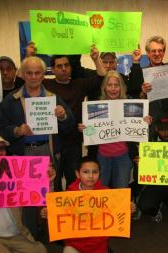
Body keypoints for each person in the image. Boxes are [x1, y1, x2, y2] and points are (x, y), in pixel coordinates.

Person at [0, 56, 75, 240]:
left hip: (48, 151)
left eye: (37, 72)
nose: (33, 76)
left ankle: (54, 234)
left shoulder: (53, 98)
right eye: (29, 73)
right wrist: (16, 130)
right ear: (22, 74)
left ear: (42, 75)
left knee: (51, 195)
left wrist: (62, 116)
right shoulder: (11, 99)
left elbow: (70, 125)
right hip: (24, 154)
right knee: (28, 198)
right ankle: (30, 235)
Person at [40, 156, 135, 253]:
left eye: (95, 172)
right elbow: (58, 214)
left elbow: (119, 217)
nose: (91, 176)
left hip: (98, 246)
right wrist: (49, 213)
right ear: (78, 174)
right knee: (68, 251)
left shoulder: (106, 194)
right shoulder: (69, 195)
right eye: (86, 172)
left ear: (99, 173)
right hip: (74, 245)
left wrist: (128, 210)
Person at [43, 48, 104, 190]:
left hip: (74, 142)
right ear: (52, 69)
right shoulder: (46, 84)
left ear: (71, 67)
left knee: (73, 183)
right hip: (53, 144)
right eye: (59, 66)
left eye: (66, 65)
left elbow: (102, 77)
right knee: (54, 182)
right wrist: (29, 56)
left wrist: (96, 59)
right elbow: (23, 80)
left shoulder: (79, 84)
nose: (64, 68)